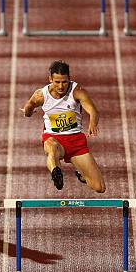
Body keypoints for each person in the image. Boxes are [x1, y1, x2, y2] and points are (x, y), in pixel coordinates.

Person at [22, 60, 105, 193]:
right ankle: (56, 172)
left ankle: (81, 174)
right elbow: (28, 107)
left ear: (69, 79)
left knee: (99, 187)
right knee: (51, 148)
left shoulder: (77, 91)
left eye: (64, 82)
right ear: (50, 79)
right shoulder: (41, 95)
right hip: (54, 139)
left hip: (76, 142)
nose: (61, 86)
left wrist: (93, 123)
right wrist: (28, 113)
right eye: (57, 82)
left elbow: (93, 111)